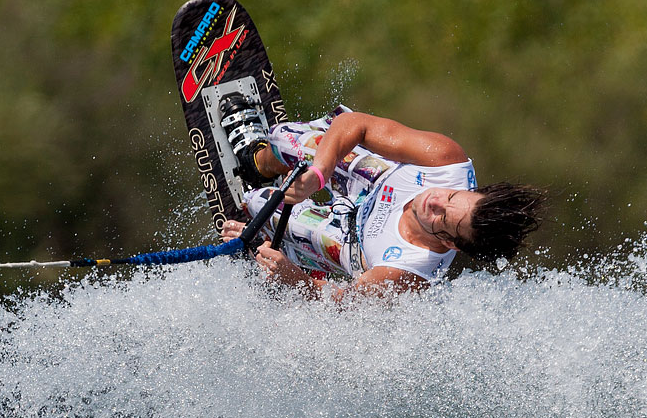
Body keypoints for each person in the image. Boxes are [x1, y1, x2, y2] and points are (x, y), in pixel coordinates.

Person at [218, 101, 544, 300]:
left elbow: (342, 304)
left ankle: (273, 240)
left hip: (356, 243)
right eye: (452, 197)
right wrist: (318, 174)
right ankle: (259, 160)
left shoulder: (408, 273)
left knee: (262, 207)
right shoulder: (447, 161)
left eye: (442, 218)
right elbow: (354, 125)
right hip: (373, 179)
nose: (434, 202)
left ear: (451, 243)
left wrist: (293, 278)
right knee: (290, 141)